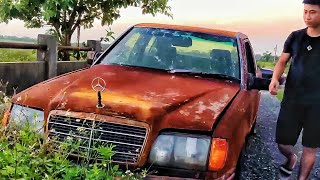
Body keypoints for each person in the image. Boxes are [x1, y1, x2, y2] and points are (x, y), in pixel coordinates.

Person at [269, 0, 320, 179]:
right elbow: (282, 61)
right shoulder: (295, 36)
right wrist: (275, 79)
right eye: (305, 11)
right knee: (282, 142)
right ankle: (291, 157)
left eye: (312, 12)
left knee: (310, 147)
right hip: (292, 99)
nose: (307, 16)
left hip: (317, 105)